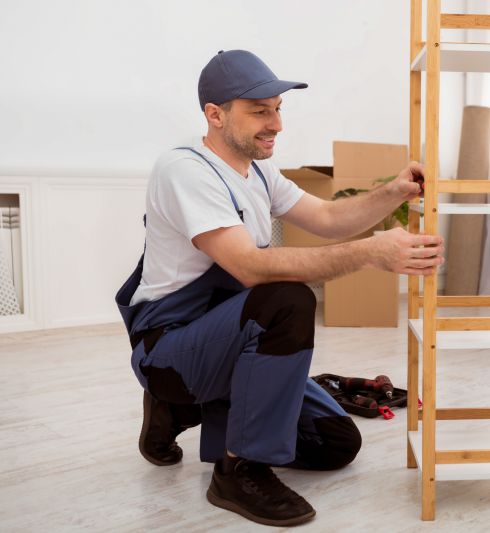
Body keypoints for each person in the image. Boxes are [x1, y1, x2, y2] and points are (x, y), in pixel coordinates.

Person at [115, 49, 443, 527]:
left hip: (227, 337)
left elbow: (327, 217)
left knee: (334, 444)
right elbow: (250, 268)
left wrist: (392, 192)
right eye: (260, 112)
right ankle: (237, 470)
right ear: (215, 115)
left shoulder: (259, 169)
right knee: (286, 299)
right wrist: (371, 253)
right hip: (170, 348)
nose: (276, 124)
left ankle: (181, 410)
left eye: (277, 109)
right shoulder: (184, 170)